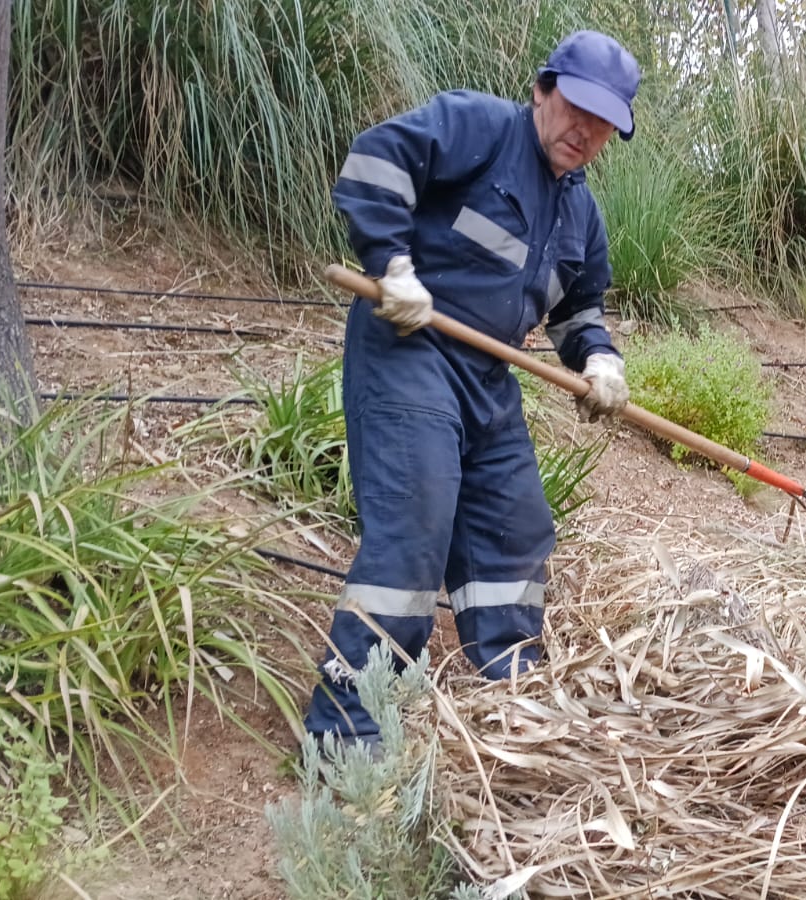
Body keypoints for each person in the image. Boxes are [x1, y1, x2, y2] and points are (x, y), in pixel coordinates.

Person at [303, 31, 640, 746]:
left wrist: (600, 360)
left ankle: (509, 703)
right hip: (409, 353)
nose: (585, 130)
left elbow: (579, 311)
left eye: (603, 121)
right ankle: (348, 737)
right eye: (576, 106)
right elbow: (375, 158)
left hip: (488, 379)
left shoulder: (581, 214)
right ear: (543, 91)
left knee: (514, 535)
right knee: (413, 533)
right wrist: (393, 264)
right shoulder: (479, 129)